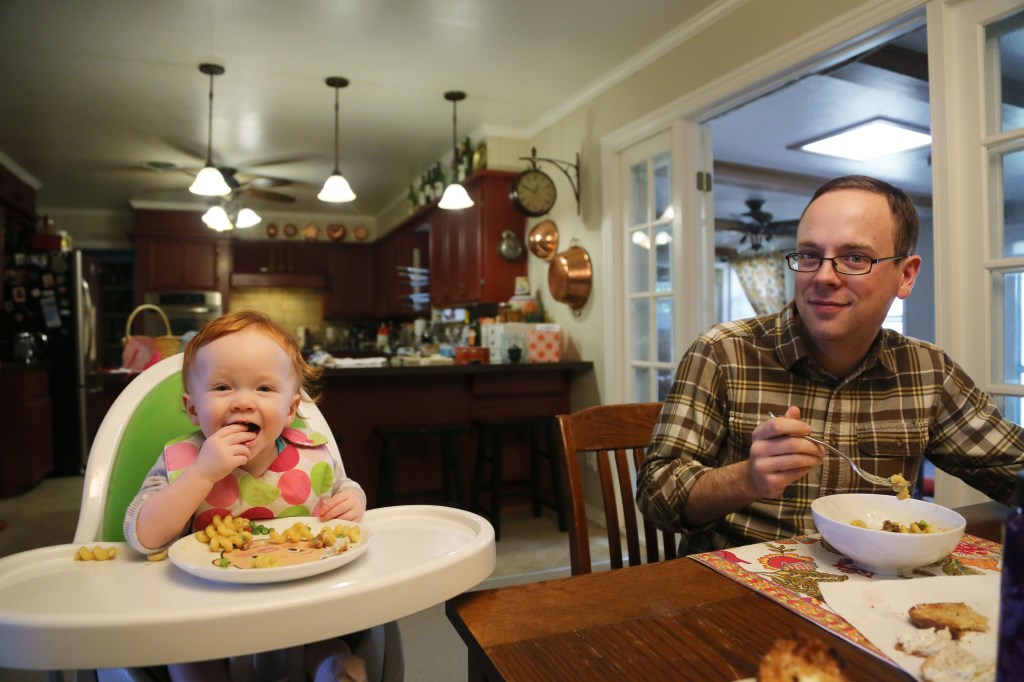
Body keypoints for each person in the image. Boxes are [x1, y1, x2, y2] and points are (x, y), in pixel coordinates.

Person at [636, 175, 1024, 555]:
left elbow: (1013, 469)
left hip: (880, 586)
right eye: (809, 255)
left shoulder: (927, 372)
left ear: (905, 276)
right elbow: (656, 497)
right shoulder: (723, 352)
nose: (823, 277)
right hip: (736, 584)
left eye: (854, 258)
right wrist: (746, 478)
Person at [124, 310, 368, 682]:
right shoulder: (183, 462)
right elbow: (142, 536)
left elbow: (343, 488)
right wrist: (202, 474)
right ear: (193, 408)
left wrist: (353, 500)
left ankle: (330, 666)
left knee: (328, 634)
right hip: (205, 609)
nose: (242, 402)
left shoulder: (312, 456)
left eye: (264, 389)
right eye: (223, 387)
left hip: (299, 601)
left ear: (290, 409)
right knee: (184, 653)